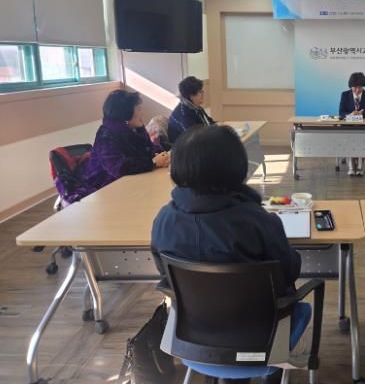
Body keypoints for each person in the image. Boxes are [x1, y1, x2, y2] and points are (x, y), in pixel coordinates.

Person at [151, 125, 301, 384]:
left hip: (192, 336)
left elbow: (164, 273)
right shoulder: (257, 220)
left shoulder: (163, 220)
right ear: (236, 167)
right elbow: (288, 272)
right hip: (261, 335)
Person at [81, 90, 170, 198]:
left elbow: (149, 147)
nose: (142, 113)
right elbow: (119, 168)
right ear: (126, 113)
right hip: (106, 187)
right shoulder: (106, 135)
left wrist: (161, 154)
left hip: (134, 181)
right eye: (138, 109)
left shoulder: (136, 129)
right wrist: (153, 162)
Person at [339, 72, 365, 176]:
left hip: (364, 127)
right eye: (355, 87)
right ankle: (351, 166)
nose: (357, 90)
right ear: (351, 86)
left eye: (360, 87)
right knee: (349, 138)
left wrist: (360, 115)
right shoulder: (345, 95)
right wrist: (350, 114)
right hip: (348, 127)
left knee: (363, 139)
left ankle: (360, 166)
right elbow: (341, 112)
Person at [168, 76, 216, 144]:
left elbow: (209, 122)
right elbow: (195, 138)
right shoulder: (184, 114)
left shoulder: (196, 107)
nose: (203, 93)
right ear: (191, 95)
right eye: (200, 92)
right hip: (186, 147)